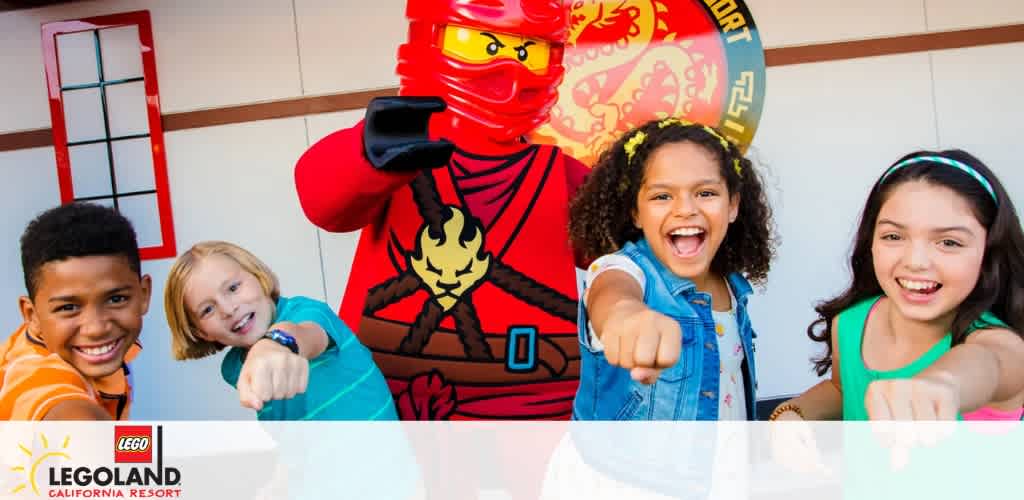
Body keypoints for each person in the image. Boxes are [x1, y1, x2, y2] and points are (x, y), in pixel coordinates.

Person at [293, 0, 589, 421]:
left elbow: (624, 245)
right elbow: (322, 202)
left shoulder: (560, 176)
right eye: (481, 45)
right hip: (387, 405)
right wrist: (363, 154)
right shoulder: (395, 147)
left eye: (527, 52)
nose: (507, 68)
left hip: (535, 411)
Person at [772, 150, 1024, 422]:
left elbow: (989, 364)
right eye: (893, 236)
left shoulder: (1001, 345)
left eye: (949, 242)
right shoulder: (850, 323)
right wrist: (795, 412)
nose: (915, 262)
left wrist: (940, 385)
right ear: (871, 241)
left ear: (988, 252)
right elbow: (842, 390)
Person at [570, 117, 775, 421]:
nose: (685, 209)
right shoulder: (623, 269)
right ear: (636, 213)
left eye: (706, 193)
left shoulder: (731, 285)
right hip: (623, 469)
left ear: (732, 205)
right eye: (662, 196)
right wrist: (626, 315)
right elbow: (612, 295)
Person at [164, 241, 396, 420]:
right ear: (201, 333)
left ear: (258, 276)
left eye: (233, 288)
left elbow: (301, 333)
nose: (228, 308)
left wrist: (274, 344)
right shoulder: (235, 369)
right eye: (207, 310)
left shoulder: (307, 311)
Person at [0, 203, 152, 420]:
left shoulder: (89, 351)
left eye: (115, 299)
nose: (96, 328)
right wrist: (160, 444)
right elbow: (89, 435)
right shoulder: (35, 376)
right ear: (32, 316)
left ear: (143, 294)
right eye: (68, 308)